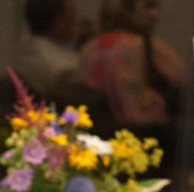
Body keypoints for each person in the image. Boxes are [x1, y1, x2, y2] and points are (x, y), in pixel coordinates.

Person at [78, 0, 186, 135]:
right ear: (126, 10)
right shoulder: (145, 46)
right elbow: (185, 80)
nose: (155, 15)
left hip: (96, 136)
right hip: (145, 134)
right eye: (148, 6)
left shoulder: (89, 48)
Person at [12, 0, 81, 98]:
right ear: (58, 22)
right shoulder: (65, 70)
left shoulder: (23, 52)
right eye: (70, 16)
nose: (75, 23)